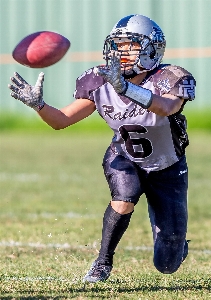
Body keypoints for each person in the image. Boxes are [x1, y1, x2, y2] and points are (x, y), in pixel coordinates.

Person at [8, 14, 196, 283]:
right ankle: (102, 262)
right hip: (125, 157)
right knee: (124, 198)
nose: (121, 52)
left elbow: (166, 108)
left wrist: (127, 88)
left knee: (167, 264)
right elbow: (61, 121)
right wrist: (39, 105)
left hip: (168, 167)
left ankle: (175, 246)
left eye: (129, 46)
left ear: (151, 49)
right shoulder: (100, 79)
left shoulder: (171, 77)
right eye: (117, 46)